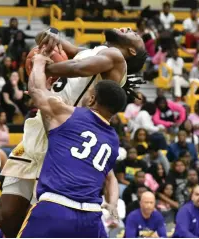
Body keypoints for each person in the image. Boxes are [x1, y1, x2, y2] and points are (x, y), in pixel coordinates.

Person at [0, 27, 147, 237]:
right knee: (5, 216)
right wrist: (50, 36)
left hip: (64, 137)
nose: (129, 28)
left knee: (46, 213)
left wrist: (42, 67)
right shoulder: (93, 50)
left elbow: (77, 67)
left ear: (130, 50)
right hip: (40, 126)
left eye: (134, 35)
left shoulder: (116, 58)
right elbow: (53, 41)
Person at [14, 54, 126, 237]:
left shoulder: (71, 114)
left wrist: (39, 62)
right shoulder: (113, 140)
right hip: (91, 217)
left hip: (55, 207)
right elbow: (110, 178)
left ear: (91, 100)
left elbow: (35, 90)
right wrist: (112, 204)